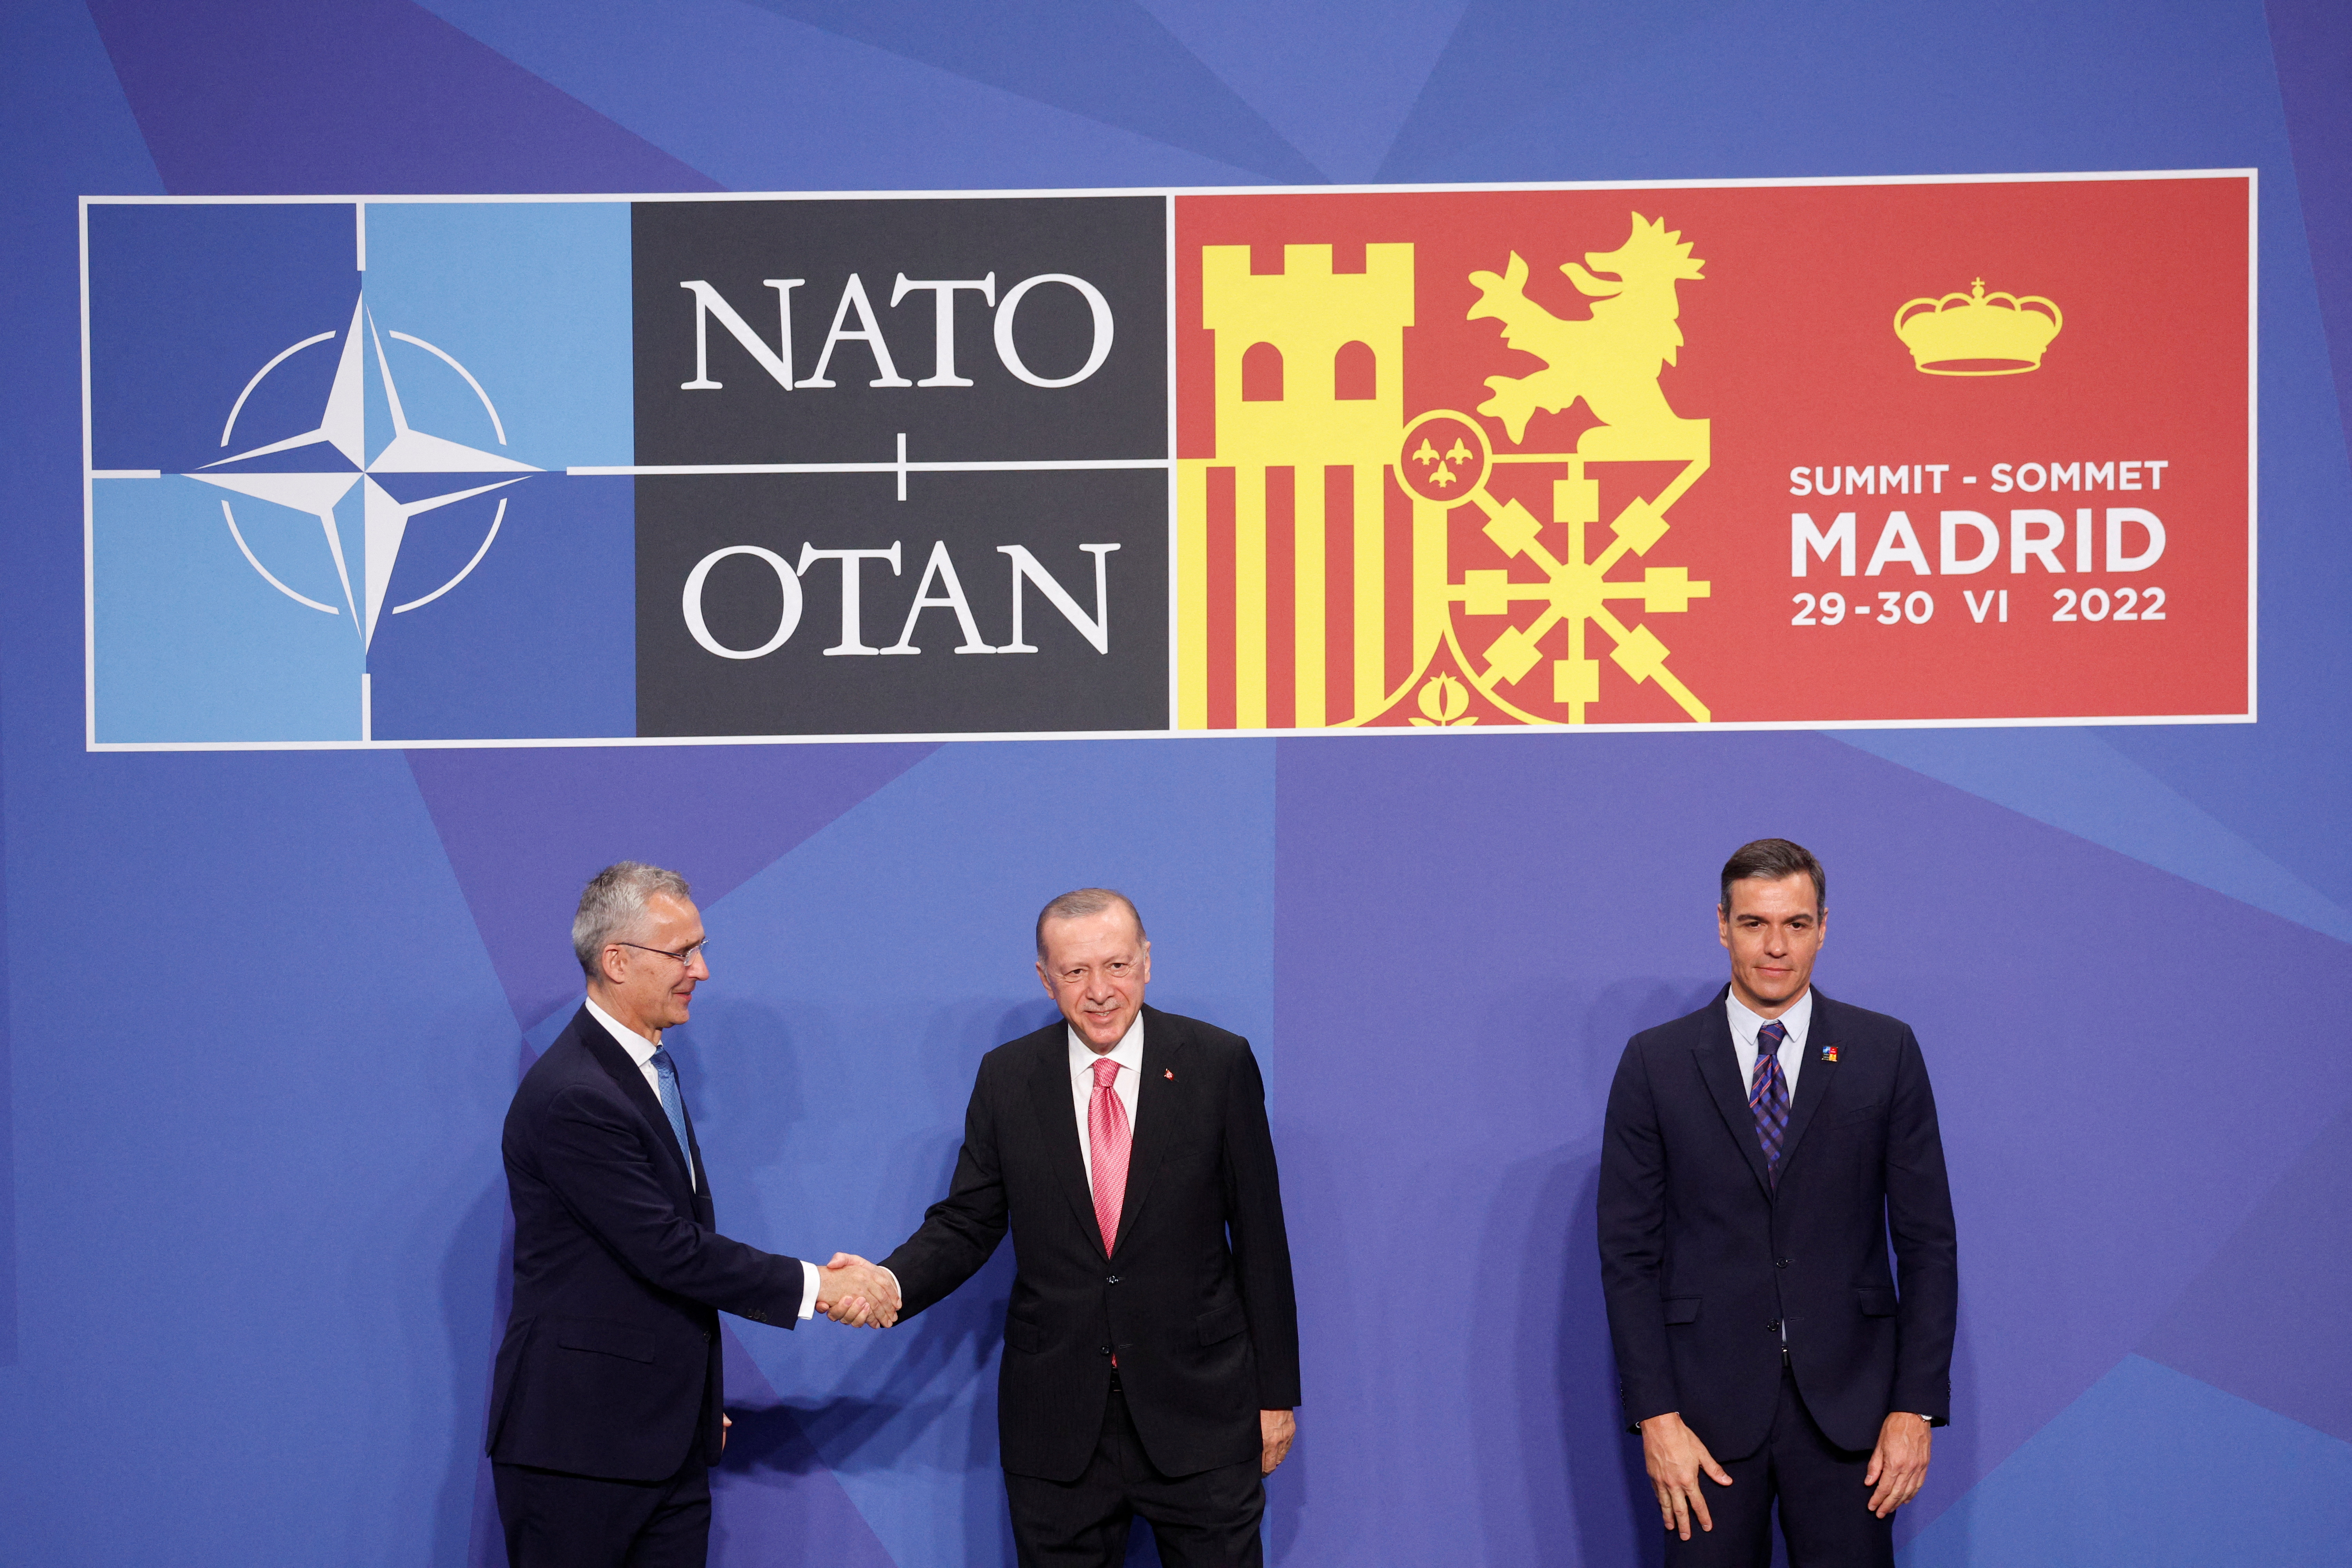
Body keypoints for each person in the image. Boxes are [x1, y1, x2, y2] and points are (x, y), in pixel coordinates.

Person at [831, 888, 1301, 1567]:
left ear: (1147, 962)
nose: (1100, 990)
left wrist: (1276, 1396)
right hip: (1057, 1426)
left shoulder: (1218, 1063)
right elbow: (968, 1222)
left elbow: (1262, 1239)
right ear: (1046, 979)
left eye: (1115, 965)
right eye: (1076, 972)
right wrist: (888, 1280)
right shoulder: (1009, 1077)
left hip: (1201, 1414)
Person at [486, 861, 893, 1568]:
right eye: (682, 953)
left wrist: (690, 1402)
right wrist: (822, 1288)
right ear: (617, 961)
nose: (701, 971)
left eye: (698, 949)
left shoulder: (645, 1073)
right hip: (579, 1453)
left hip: (658, 1441)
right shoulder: (576, 1095)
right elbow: (669, 1251)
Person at [1597, 839, 1958, 1567]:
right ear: (1722, 926)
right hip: (1702, 1421)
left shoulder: (1883, 1051)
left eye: (1795, 925)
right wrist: (1657, 1418)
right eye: (1755, 924)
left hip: (1852, 1419)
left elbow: (1928, 1245)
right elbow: (1628, 1257)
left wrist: (1914, 1408)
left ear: (1824, 927)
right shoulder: (1655, 1062)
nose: (1775, 947)